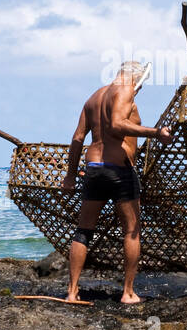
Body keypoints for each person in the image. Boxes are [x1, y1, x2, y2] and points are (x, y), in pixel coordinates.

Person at [61, 61, 173, 303]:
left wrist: (70, 175)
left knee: (83, 231)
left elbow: (78, 138)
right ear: (136, 78)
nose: (139, 89)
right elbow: (116, 125)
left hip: (94, 168)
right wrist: (156, 133)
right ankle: (129, 293)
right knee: (132, 231)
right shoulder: (125, 90)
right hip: (118, 169)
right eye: (140, 83)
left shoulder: (94, 97)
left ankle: (72, 292)